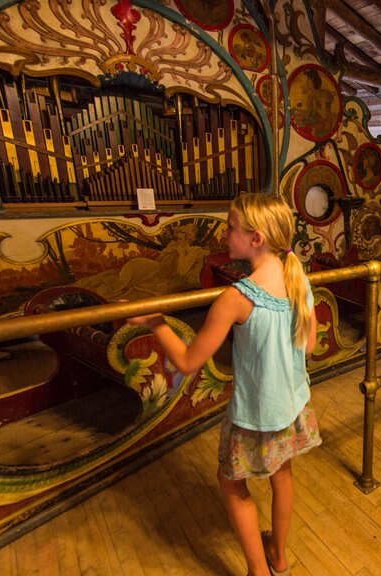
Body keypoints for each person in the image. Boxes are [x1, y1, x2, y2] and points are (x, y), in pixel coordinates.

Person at [128, 193, 320, 576]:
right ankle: (278, 558)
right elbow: (310, 345)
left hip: (255, 414)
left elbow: (187, 361)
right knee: (282, 474)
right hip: (293, 405)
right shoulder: (297, 280)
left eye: (231, 227)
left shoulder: (237, 297)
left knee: (232, 484)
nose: (224, 234)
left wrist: (157, 323)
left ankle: (258, 571)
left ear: (256, 238)